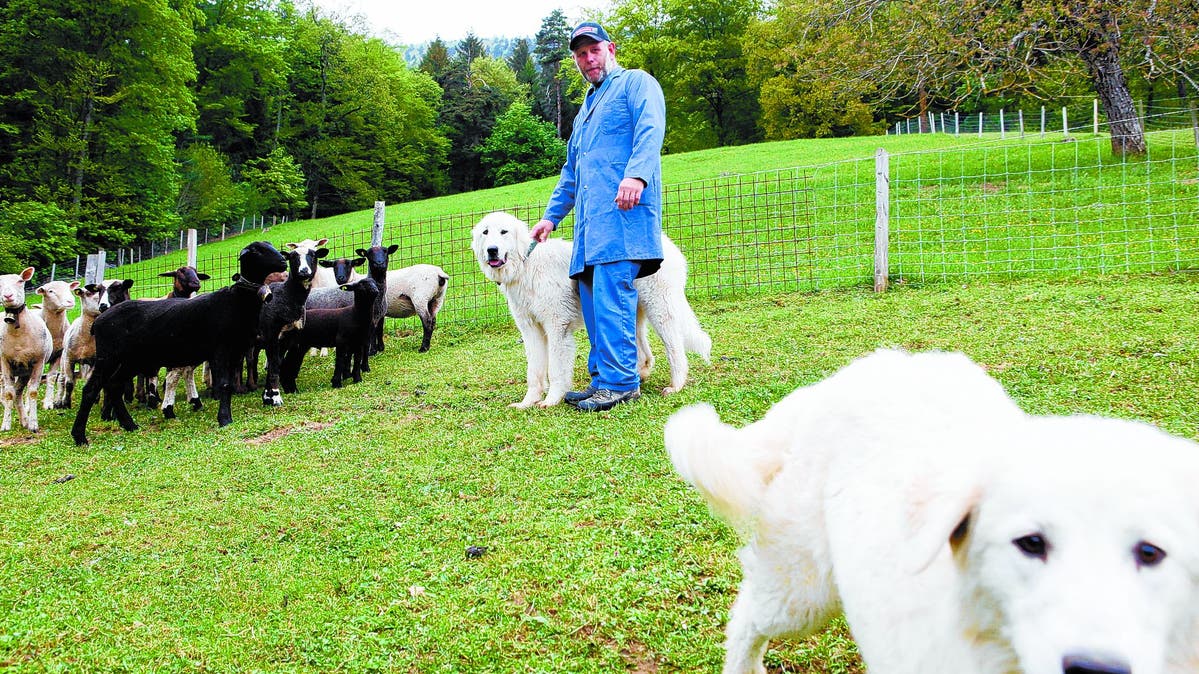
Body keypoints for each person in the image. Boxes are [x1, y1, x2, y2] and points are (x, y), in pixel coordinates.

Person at [529, 21, 667, 412]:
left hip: (622, 220)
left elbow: (650, 130)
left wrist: (636, 175)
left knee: (612, 301)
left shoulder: (636, 84)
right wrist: (551, 218)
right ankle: (601, 379)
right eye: (580, 54)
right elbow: (571, 172)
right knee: (592, 305)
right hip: (590, 232)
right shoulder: (585, 110)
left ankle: (622, 383)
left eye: (593, 51)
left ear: (611, 49)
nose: (587, 59)